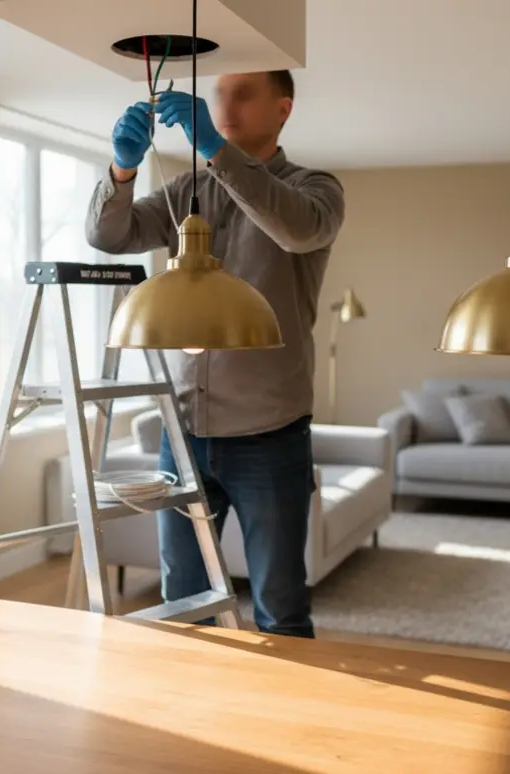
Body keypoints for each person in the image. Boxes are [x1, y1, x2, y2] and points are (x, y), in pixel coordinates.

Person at [85, 70, 345, 639]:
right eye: (222, 92)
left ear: (284, 109)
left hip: (270, 437)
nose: (226, 102)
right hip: (182, 438)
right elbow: (109, 236)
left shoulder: (315, 189)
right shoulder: (185, 193)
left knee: (279, 605)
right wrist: (122, 170)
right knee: (185, 600)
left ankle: (284, 724)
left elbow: (296, 232)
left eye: (244, 92)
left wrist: (216, 150)